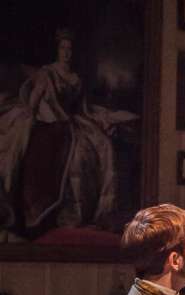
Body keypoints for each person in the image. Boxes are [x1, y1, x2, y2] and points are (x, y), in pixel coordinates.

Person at [0, 27, 135, 237]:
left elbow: (83, 109)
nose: (66, 53)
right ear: (57, 50)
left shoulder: (76, 78)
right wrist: (32, 117)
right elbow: (35, 100)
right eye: (63, 48)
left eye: (70, 49)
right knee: (56, 147)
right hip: (49, 118)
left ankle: (97, 213)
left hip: (70, 120)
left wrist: (98, 121)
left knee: (101, 144)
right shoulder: (47, 73)